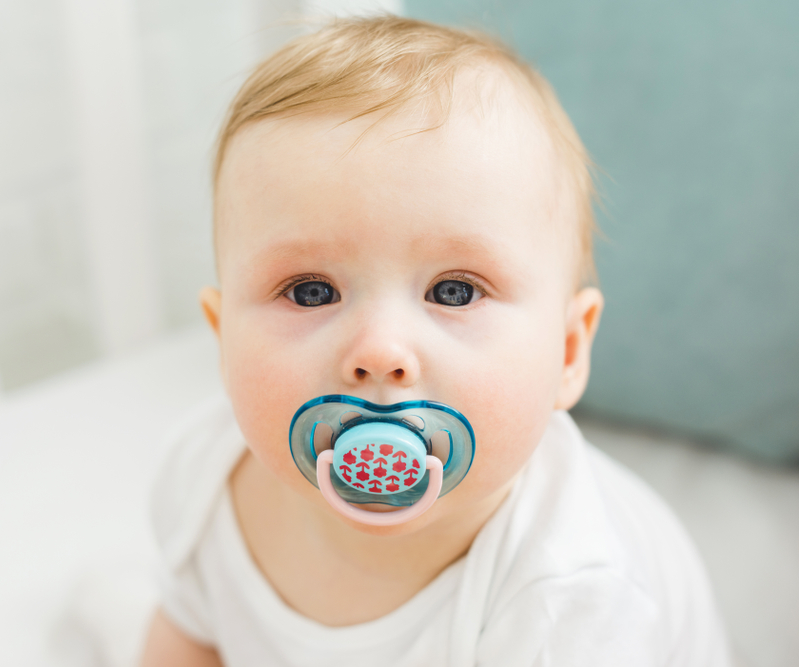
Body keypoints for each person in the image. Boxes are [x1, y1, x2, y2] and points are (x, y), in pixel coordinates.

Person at [140, 15, 732, 667]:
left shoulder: (570, 597)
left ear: (566, 352)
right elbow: (188, 636)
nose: (380, 350)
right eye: (311, 291)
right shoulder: (205, 478)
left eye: (454, 291)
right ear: (224, 342)